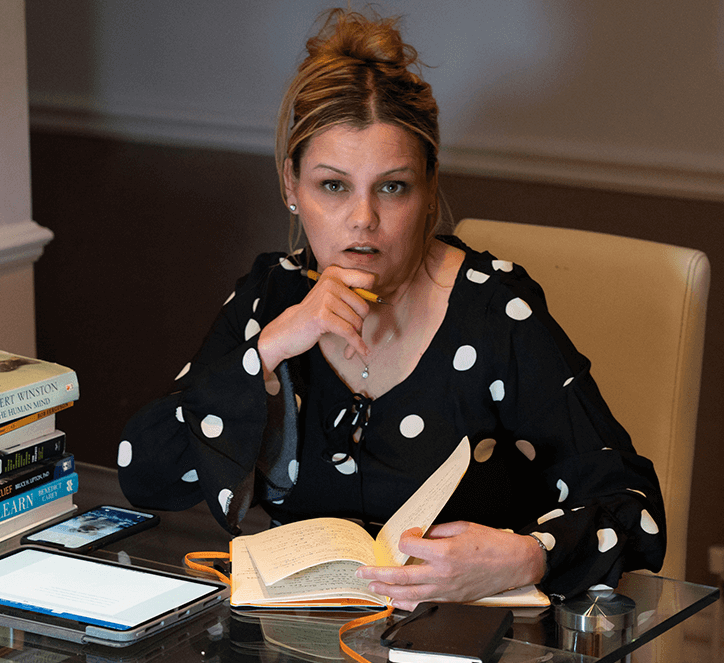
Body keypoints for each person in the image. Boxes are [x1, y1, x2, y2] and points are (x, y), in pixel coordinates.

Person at [117, 8, 665, 607]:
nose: (362, 220)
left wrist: (527, 556)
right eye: (333, 185)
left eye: (392, 186)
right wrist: (271, 348)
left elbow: (633, 508)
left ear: (430, 190)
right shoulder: (270, 296)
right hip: (300, 638)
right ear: (289, 188)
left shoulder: (495, 311)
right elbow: (145, 473)